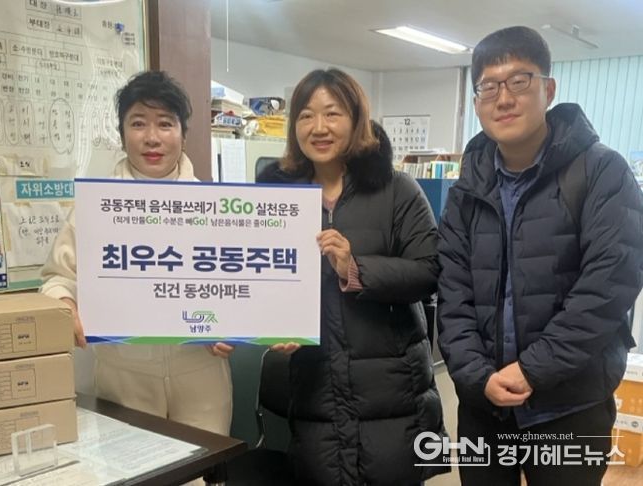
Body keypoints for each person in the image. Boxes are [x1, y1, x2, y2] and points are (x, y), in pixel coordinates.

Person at [437, 26, 643, 486]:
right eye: (489, 87)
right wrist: (477, 377)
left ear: (548, 90)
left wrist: (533, 369)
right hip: (485, 408)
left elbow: (608, 287)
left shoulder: (602, 171)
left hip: (570, 406)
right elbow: (452, 294)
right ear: (477, 102)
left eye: (519, 81)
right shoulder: (466, 188)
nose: (503, 99)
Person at [258, 68, 448, 486]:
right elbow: (257, 277)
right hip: (315, 391)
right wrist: (266, 325)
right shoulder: (274, 199)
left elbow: (430, 270)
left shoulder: (397, 190)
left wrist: (355, 269)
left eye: (333, 113)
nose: (319, 127)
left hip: (392, 392)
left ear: (356, 119)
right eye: (306, 115)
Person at [41, 71, 233, 437]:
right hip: (123, 374)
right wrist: (64, 304)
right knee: (133, 464)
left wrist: (232, 326)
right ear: (122, 133)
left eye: (165, 123)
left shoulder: (216, 206)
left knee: (205, 465)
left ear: (183, 133)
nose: (152, 137)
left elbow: (240, 285)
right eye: (138, 123)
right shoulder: (96, 206)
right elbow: (57, 278)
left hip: (201, 372)